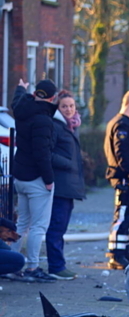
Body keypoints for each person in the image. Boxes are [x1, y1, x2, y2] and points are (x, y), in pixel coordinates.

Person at [10, 78, 58, 281]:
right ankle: (32, 267)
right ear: (52, 98)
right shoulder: (43, 120)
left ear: (36, 94)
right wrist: (49, 179)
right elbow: (42, 153)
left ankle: (10, 265)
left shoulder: (23, 110)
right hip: (36, 179)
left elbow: (17, 101)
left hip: (19, 175)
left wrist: (21, 87)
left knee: (21, 225)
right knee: (38, 226)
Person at [46, 91, 86, 280]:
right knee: (56, 226)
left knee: (61, 226)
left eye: (71, 106)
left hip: (69, 185)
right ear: (58, 108)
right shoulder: (56, 126)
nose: (69, 109)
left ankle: (59, 264)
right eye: (64, 106)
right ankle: (56, 266)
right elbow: (48, 153)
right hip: (60, 185)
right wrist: (68, 163)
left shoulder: (71, 126)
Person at [103, 89, 129, 269]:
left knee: (127, 217)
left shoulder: (123, 123)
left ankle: (123, 251)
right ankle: (116, 254)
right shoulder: (123, 125)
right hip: (124, 179)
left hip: (126, 178)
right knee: (122, 217)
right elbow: (122, 152)